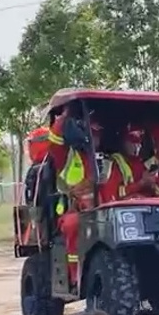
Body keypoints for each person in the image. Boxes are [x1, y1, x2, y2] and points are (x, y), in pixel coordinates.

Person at [47, 105, 108, 285]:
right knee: (74, 225)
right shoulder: (67, 155)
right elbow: (55, 140)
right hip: (73, 209)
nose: (95, 139)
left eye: (98, 135)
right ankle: (76, 275)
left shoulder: (104, 158)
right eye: (93, 134)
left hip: (101, 210)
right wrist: (66, 115)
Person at [100, 126, 154, 201]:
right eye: (133, 141)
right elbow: (112, 195)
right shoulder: (114, 164)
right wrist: (141, 183)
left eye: (139, 141)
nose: (138, 145)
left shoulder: (141, 164)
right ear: (123, 142)